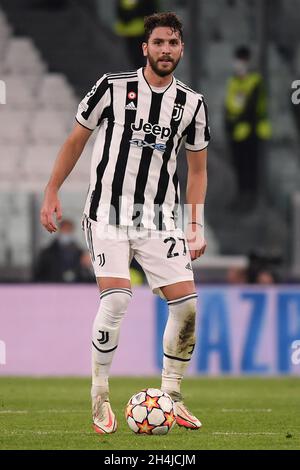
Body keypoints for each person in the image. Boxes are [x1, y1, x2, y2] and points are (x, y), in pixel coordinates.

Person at [40, 12, 210, 434]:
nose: (165, 50)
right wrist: (51, 190)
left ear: (181, 49)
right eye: (158, 43)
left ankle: (170, 396)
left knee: (187, 306)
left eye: (172, 43)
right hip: (108, 214)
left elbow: (199, 169)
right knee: (116, 300)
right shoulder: (112, 87)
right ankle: (100, 395)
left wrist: (195, 224)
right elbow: (76, 139)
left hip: (158, 218)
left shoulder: (192, 103)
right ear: (145, 48)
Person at [224, 46, 271, 211]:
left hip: (252, 132)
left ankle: (250, 200)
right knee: (239, 167)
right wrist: (229, 125)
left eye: (242, 60)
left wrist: (236, 121)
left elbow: (252, 109)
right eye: (237, 60)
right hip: (236, 133)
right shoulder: (233, 81)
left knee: (250, 168)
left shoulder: (255, 81)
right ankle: (241, 195)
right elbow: (228, 105)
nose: (239, 64)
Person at [115, 0, 159, 68]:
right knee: (135, 58)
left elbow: (150, 11)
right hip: (131, 32)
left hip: (140, 31)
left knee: (138, 58)